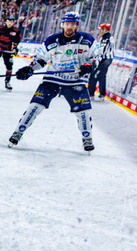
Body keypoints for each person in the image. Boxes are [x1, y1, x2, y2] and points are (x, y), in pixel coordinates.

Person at [9, 12, 96, 152]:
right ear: (63, 24)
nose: (69, 27)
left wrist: (90, 65)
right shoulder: (52, 40)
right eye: (67, 24)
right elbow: (41, 60)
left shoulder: (87, 40)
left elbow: (96, 57)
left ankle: (87, 139)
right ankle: (18, 133)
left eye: (72, 24)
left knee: (84, 112)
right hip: (52, 79)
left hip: (76, 81)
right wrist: (29, 69)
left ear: (77, 25)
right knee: (34, 107)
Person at [88, 22, 113, 101]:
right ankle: (101, 94)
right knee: (101, 76)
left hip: (104, 60)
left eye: (102, 29)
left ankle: (91, 94)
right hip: (103, 60)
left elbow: (102, 51)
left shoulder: (107, 39)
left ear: (105, 30)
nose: (100, 31)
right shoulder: (103, 38)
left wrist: (96, 59)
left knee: (94, 75)